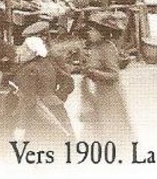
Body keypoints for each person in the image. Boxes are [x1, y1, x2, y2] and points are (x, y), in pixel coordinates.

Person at [79, 12, 133, 145]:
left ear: (101, 32)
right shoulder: (96, 47)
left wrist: (93, 73)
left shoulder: (107, 48)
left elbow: (114, 75)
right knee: (99, 127)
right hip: (99, 93)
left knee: (112, 128)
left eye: (92, 30)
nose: (89, 33)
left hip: (110, 95)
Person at [13, 25, 74, 142]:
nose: (20, 50)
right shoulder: (46, 62)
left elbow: (29, 99)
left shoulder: (35, 65)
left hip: (39, 111)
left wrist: (55, 96)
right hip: (54, 107)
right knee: (64, 142)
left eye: (24, 48)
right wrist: (53, 99)